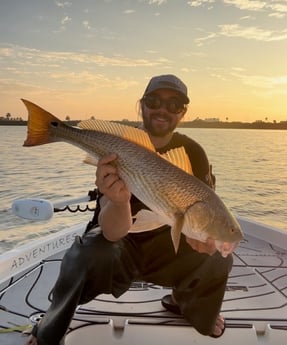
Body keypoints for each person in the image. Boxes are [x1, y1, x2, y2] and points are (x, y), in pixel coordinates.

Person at [26, 74, 231, 345]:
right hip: (121, 244)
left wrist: (203, 239)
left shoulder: (194, 152)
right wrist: (120, 201)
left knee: (218, 257)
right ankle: (50, 326)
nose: (162, 109)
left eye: (174, 105)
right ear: (141, 105)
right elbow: (111, 233)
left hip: (166, 244)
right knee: (86, 255)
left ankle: (188, 304)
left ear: (183, 112)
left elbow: (205, 212)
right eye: (154, 101)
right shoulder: (120, 146)